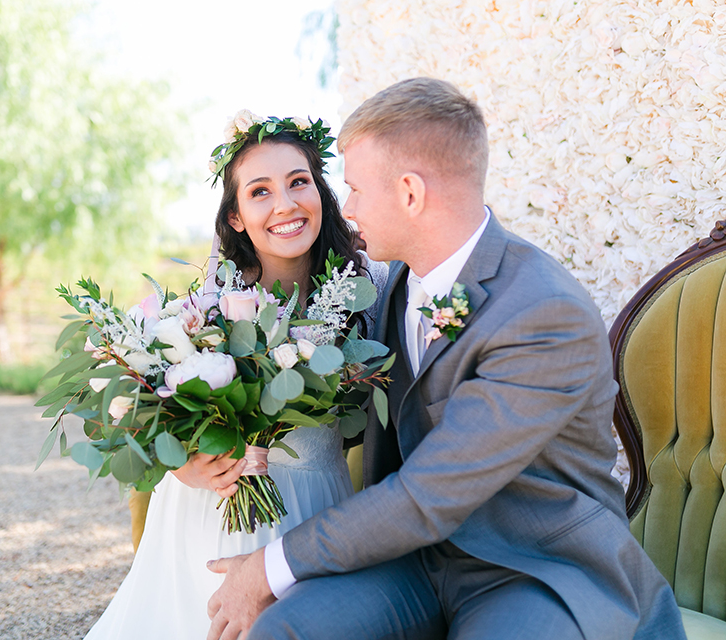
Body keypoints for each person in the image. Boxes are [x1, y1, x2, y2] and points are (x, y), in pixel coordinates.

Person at [206, 78, 686, 640]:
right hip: (413, 560)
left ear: (409, 193)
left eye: (357, 189)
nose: (348, 208)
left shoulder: (541, 312)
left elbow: (431, 491)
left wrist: (267, 567)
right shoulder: (391, 286)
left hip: (532, 569)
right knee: (287, 630)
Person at [83, 112, 388, 639]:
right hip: (209, 505)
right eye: (260, 191)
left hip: (314, 510)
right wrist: (179, 463)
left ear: (321, 191)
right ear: (238, 218)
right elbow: (133, 397)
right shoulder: (205, 305)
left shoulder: (371, 286)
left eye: (299, 182)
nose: (286, 204)